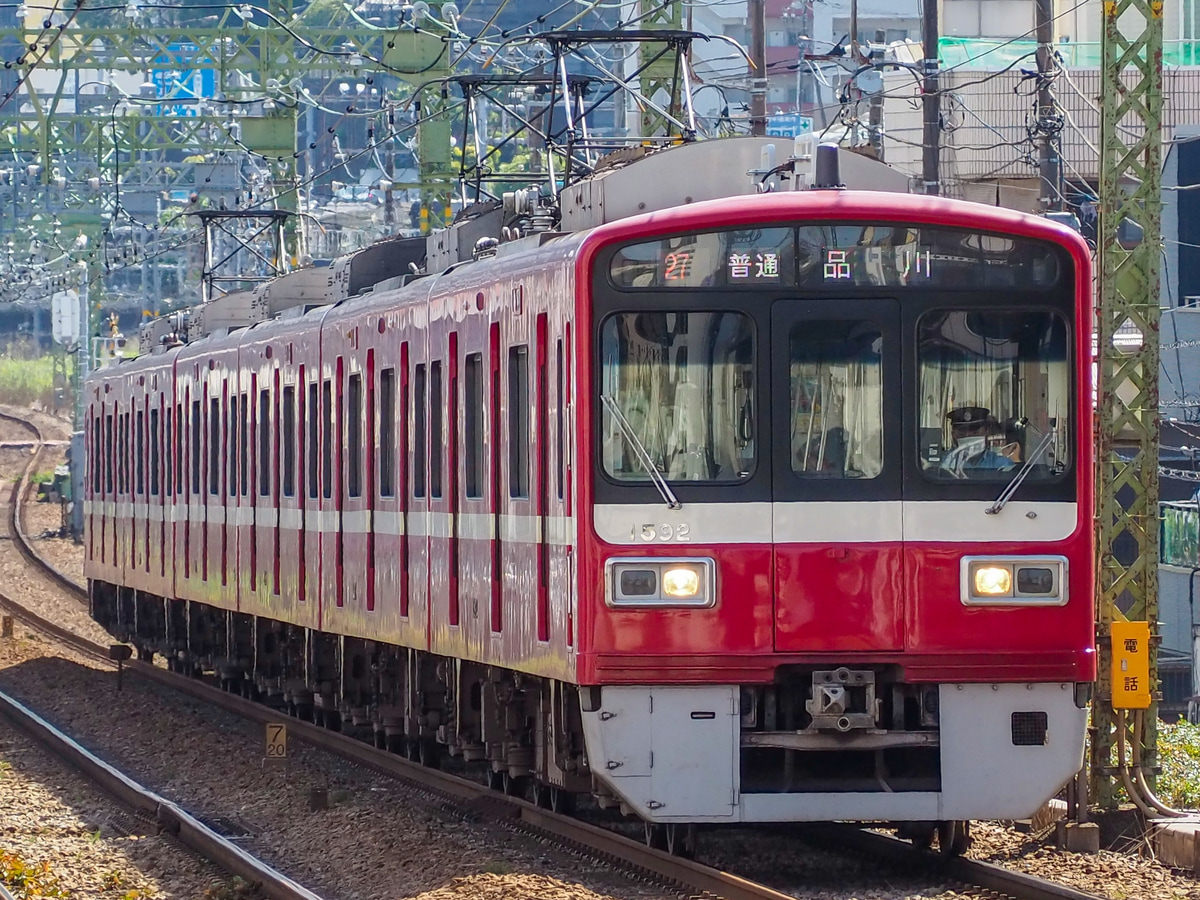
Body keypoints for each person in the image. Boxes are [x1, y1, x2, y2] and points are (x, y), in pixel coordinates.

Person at [940, 406, 1017, 479]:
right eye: (963, 434)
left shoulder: (1001, 464)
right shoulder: (943, 463)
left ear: (986, 432)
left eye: (975, 433)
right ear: (953, 435)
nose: (969, 437)